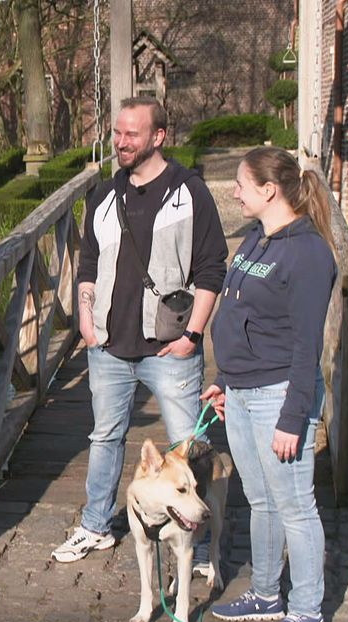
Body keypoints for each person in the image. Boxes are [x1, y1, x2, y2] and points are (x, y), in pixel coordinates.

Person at [51, 96, 228, 564]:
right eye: (117, 132)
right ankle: (96, 525)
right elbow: (88, 261)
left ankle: (199, 540)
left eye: (132, 134)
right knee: (104, 437)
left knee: (190, 446)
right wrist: (86, 317)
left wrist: (191, 336)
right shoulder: (105, 195)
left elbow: (212, 270)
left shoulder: (189, 192)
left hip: (169, 347)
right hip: (108, 345)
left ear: (158, 136)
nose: (121, 142)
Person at [202, 147, 337, 622]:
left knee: (295, 505)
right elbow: (241, 315)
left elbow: (308, 345)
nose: (235, 192)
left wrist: (293, 416)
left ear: (268, 189)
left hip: (279, 395)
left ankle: (308, 611)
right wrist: (226, 377)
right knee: (259, 500)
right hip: (241, 392)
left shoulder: (307, 253)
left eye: (240, 184)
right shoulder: (258, 239)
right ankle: (265, 594)